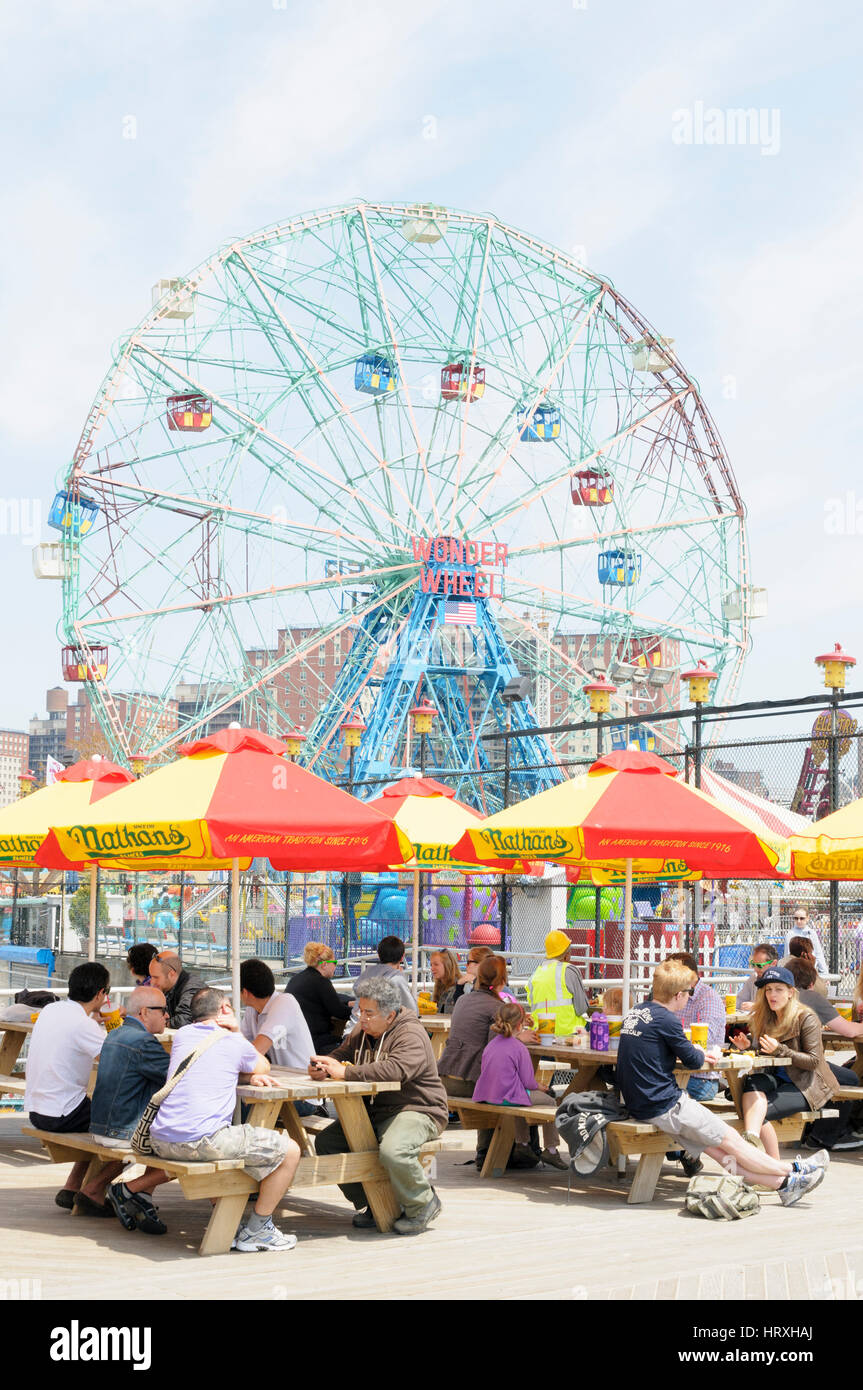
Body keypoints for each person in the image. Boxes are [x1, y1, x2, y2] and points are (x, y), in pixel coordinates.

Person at [616, 959, 827, 1206]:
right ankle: (795, 1169)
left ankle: (785, 1185)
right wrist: (699, 1052)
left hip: (641, 1104)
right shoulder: (667, 1020)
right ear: (678, 994)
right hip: (667, 1105)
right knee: (733, 1142)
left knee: (720, 1153)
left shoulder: (636, 1013)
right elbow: (694, 1061)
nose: (689, 998)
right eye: (689, 993)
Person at [149, 986, 301, 1253]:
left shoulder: (183, 1036)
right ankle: (259, 1229)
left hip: (161, 1138)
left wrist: (242, 1074)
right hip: (202, 1141)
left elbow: (214, 1066)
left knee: (226, 1146)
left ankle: (229, 1224)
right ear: (224, 1010)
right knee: (290, 1151)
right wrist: (239, 1034)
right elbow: (262, 1065)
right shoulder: (231, 1040)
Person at [311, 974, 449, 1235]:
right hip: (375, 1111)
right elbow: (342, 1054)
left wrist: (346, 1073)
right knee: (328, 1144)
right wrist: (325, 1065)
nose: (361, 1018)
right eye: (360, 1011)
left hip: (417, 1109)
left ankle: (422, 1202)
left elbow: (396, 1069)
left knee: (394, 1151)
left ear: (390, 1015)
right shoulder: (362, 1031)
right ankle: (375, 1203)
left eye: (369, 1013)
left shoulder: (410, 1033)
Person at [24, 961, 115, 1213]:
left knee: (97, 1112)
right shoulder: (83, 1025)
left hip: (37, 1110)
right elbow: (115, 1060)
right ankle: (93, 1191)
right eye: (106, 993)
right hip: (61, 1115)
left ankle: (72, 1187)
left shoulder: (51, 1010)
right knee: (123, 1125)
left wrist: (92, 1019)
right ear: (100, 994)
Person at [731, 966, 840, 1160]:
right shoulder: (767, 1016)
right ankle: (754, 1144)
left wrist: (780, 1049)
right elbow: (767, 1053)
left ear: (791, 992)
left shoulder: (806, 1017)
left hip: (805, 1086)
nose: (772, 995)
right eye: (769, 990)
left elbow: (814, 1061)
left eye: (779, 990)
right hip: (779, 1078)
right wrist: (747, 1048)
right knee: (751, 1085)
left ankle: (774, 1166)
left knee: (754, 1113)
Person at [88, 985, 173, 1233]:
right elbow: (180, 1078)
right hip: (122, 1132)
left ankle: (141, 1198)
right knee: (182, 1143)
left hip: (100, 1126)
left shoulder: (114, 1033)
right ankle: (132, 1191)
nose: (167, 1016)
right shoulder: (144, 1043)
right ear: (145, 1012)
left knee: (165, 1133)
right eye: (163, 1010)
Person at [472, 1002, 567, 1169]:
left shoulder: (491, 1045)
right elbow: (528, 1082)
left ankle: (523, 1144)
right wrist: (542, 1087)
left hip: (487, 1095)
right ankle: (551, 1150)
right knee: (549, 1102)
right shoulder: (519, 1047)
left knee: (521, 1098)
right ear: (520, 1024)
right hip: (507, 1097)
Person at [436, 955, 508, 1168]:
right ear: (502, 980)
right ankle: (488, 1154)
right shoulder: (497, 1007)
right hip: (467, 1083)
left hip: (445, 1077)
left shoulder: (462, 1001)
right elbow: (497, 1053)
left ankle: (495, 1151)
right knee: (507, 1087)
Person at [784, 957, 863, 1150]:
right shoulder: (812, 997)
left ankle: (817, 1131)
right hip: (802, 1064)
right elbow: (850, 1031)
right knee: (850, 1078)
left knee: (848, 1070)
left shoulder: (785, 996)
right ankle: (827, 1136)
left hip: (786, 1063)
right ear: (812, 983)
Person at [667, 951, 726, 1102]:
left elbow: (704, 1042)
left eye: (673, 974)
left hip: (700, 1079)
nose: (669, 979)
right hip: (675, 1071)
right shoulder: (673, 995)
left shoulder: (708, 998)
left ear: (691, 975)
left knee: (644, 1085)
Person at [240, 958, 314, 1069]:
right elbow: (241, 1045)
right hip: (278, 1076)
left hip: (301, 1078)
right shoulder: (252, 1009)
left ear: (245, 993)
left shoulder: (285, 1002)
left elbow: (255, 1052)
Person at [285, 941, 352, 1052]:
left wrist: (348, 1002)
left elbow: (329, 998)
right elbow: (339, 1011)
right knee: (349, 1048)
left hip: (297, 1039)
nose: (336, 966)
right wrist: (361, 1010)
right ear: (324, 964)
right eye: (334, 962)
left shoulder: (297, 979)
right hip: (315, 1041)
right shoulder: (321, 982)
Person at [345, 935, 417, 1032]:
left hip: (351, 1032)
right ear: (402, 957)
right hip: (370, 1037)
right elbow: (413, 1012)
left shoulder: (367, 973)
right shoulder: (397, 979)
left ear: (379, 955)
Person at [526, 930, 589, 1036]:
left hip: (540, 1033)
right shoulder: (569, 970)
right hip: (569, 1031)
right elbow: (581, 1009)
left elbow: (532, 1005)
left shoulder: (534, 975)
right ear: (566, 955)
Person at [148, 952, 207, 1028]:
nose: (152, 982)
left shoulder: (192, 987)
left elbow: (184, 1020)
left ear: (171, 974)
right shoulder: (167, 986)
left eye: (156, 977)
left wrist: (162, 1023)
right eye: (151, 977)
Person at [783, 906, 828, 978]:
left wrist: (825, 973)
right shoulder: (790, 934)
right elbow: (787, 955)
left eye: (802, 918)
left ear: (807, 918)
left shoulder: (812, 933)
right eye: (796, 918)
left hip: (810, 970)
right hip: (795, 971)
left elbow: (818, 954)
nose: (798, 921)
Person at [735, 942, 779, 1009]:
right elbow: (741, 999)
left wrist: (756, 1007)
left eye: (759, 965)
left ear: (773, 963)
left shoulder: (780, 981)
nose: (755, 969)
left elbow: (779, 1007)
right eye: (753, 965)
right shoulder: (754, 978)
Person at [429, 949, 460, 1014]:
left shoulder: (460, 988)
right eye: (431, 965)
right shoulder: (438, 987)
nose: (432, 968)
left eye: (436, 964)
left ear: (447, 965)